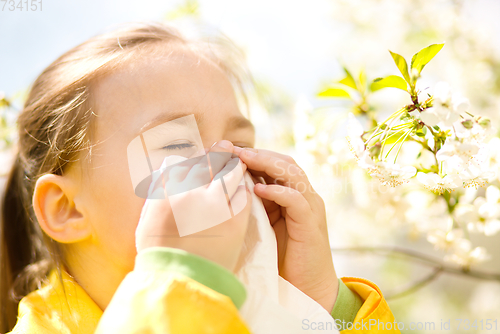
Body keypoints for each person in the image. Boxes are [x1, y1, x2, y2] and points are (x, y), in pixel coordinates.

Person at [0, 22, 400, 333]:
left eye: (240, 146)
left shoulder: (265, 315)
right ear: (67, 209)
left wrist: (327, 305)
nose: (226, 167)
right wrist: (181, 284)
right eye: (176, 146)